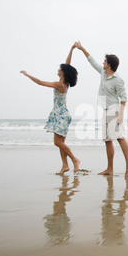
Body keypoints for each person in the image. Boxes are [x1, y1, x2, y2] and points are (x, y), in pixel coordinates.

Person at [75, 41, 128, 177]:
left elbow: (123, 98)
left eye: (105, 61)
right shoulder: (102, 72)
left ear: (109, 65)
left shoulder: (118, 80)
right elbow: (92, 61)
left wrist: (121, 115)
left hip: (114, 110)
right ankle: (109, 169)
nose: (102, 63)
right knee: (107, 140)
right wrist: (82, 48)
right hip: (105, 109)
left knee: (120, 137)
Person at [20, 44, 80, 174]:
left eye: (60, 69)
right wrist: (71, 49)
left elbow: (40, 82)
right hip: (64, 114)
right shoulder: (65, 83)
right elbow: (67, 64)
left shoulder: (59, 84)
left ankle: (75, 160)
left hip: (60, 115)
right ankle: (65, 165)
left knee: (57, 142)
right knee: (61, 142)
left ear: (62, 72)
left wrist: (27, 75)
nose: (58, 69)